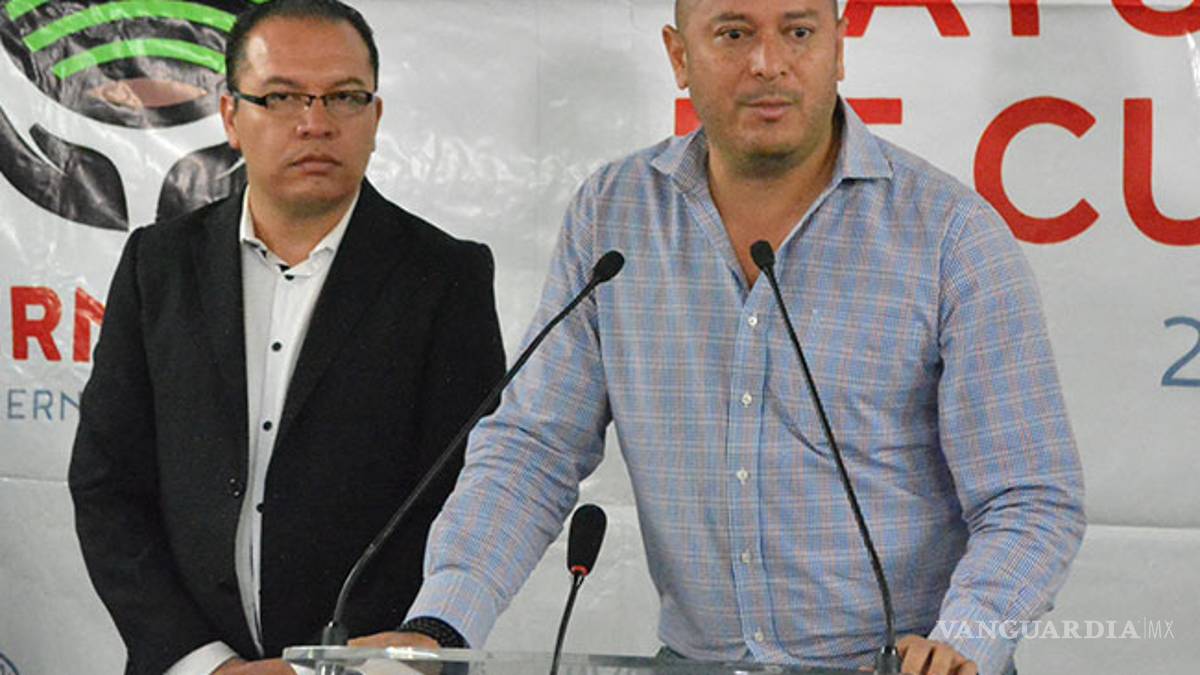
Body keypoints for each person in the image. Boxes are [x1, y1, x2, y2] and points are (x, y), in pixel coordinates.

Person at [360, 0, 1086, 674]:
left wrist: (964, 641)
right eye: (734, 33)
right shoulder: (613, 214)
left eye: (798, 32)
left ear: (838, 50)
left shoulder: (949, 234)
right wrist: (442, 624)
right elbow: (533, 449)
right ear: (679, 57)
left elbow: (1029, 497)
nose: (768, 63)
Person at [67, 2, 505, 674]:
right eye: (281, 97)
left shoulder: (444, 277)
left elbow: (465, 494)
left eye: (345, 97)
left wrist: (326, 664)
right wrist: (205, 663)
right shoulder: (158, 266)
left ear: (376, 117)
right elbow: (107, 484)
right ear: (230, 116)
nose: (315, 123)